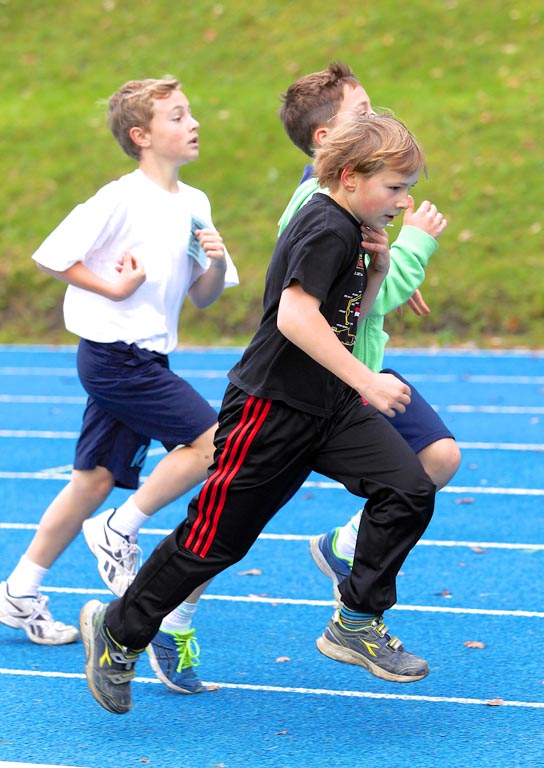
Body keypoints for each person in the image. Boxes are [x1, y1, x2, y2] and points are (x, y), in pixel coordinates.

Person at [80, 112, 438, 716]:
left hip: (329, 406)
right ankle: (119, 631)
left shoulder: (354, 226)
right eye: (395, 188)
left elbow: (343, 314)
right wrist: (368, 381)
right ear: (350, 177)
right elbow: (294, 318)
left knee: (408, 489)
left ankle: (356, 620)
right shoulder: (325, 226)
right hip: (270, 412)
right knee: (213, 543)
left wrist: (377, 270)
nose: (403, 202)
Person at [0, 77, 238, 694]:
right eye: (177, 116)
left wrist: (214, 262)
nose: (193, 123)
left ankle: (19, 591)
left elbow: (205, 297)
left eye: (190, 112)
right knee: (214, 444)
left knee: (92, 480)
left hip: (147, 358)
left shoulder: (196, 201)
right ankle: (118, 528)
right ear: (142, 136)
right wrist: (114, 287)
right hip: (113, 358)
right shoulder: (120, 197)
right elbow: (53, 255)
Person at [277, 61, 460, 597]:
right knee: (233, 520)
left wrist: (391, 268)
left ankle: (347, 551)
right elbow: (314, 301)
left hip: (360, 369)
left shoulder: (353, 201)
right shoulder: (322, 208)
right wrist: (416, 246)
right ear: (326, 138)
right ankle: (163, 612)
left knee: (437, 457)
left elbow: (366, 285)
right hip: (315, 381)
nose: (376, 116)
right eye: (362, 111)